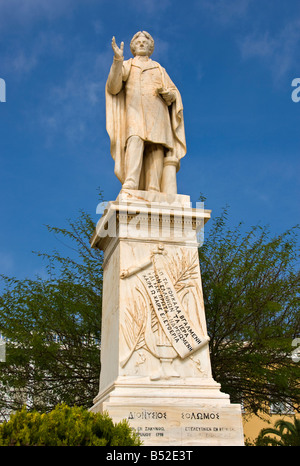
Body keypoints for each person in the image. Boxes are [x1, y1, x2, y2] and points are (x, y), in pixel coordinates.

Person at [106, 31, 186, 193]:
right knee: (135, 139)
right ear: (133, 47)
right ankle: (131, 182)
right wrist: (117, 60)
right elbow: (113, 87)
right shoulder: (128, 64)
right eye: (138, 42)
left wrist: (169, 95)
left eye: (145, 42)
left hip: (157, 111)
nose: (141, 44)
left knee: (156, 146)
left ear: (151, 47)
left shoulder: (158, 68)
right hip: (134, 110)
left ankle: (153, 187)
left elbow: (173, 92)